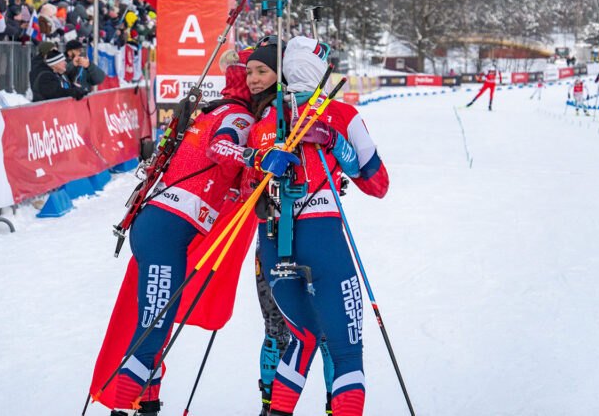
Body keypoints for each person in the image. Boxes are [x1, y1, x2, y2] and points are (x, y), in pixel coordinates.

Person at [238, 36, 389, 416]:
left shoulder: (264, 119)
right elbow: (377, 183)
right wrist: (336, 143)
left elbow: (246, 189)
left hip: (272, 242)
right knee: (345, 350)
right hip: (322, 237)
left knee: (301, 339)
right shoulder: (341, 112)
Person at [109, 50, 257, 416]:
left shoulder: (213, 108)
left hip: (158, 223)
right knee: (152, 329)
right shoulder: (238, 115)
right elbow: (221, 149)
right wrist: (257, 160)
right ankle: (120, 407)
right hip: (166, 227)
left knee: (152, 321)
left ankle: (148, 405)